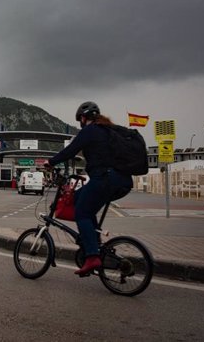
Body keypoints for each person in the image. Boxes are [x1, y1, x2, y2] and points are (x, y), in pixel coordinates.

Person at [44, 101, 132, 276]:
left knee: (81, 213)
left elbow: (70, 150)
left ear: (84, 118)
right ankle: (94, 243)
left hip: (105, 179)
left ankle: (92, 256)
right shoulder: (109, 130)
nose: (80, 123)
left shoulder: (90, 131)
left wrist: (50, 162)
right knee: (79, 199)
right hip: (123, 180)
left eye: (80, 120)